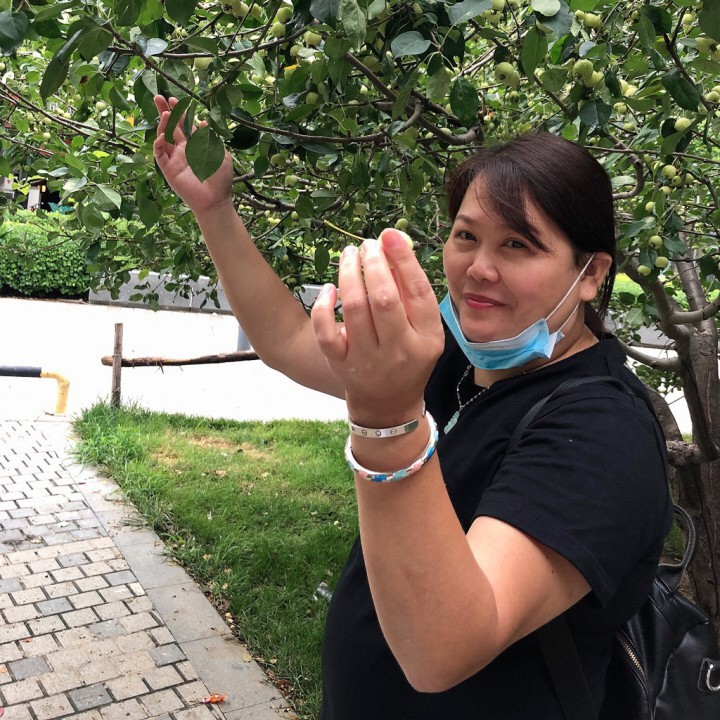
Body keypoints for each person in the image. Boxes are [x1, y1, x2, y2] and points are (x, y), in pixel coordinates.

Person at [153, 95, 673, 719]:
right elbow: (288, 340)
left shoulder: (602, 431)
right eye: (466, 236)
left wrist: (387, 419)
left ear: (589, 274)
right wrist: (214, 210)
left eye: (517, 245)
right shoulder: (460, 356)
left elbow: (443, 648)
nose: (479, 269)